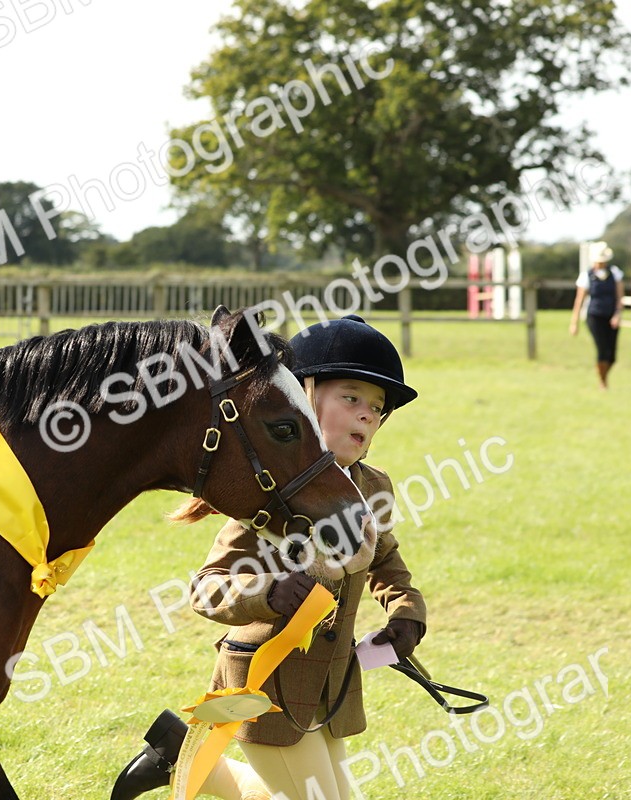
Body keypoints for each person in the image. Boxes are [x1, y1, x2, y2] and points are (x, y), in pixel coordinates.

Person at [112, 314, 428, 800]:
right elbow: (206, 588)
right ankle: (180, 755)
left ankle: (177, 754)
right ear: (304, 395)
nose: (367, 414)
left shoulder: (374, 487)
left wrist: (407, 614)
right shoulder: (273, 493)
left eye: (377, 406)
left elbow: (388, 565)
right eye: (351, 397)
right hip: (263, 685)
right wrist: (268, 593)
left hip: (330, 687)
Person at [569, 241, 625, 389]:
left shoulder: (615, 273)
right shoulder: (586, 276)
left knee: (612, 355)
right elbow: (579, 300)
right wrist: (574, 322)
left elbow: (619, 296)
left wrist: (618, 313)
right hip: (594, 315)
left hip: (611, 315)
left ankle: (604, 375)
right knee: (602, 349)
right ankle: (603, 382)